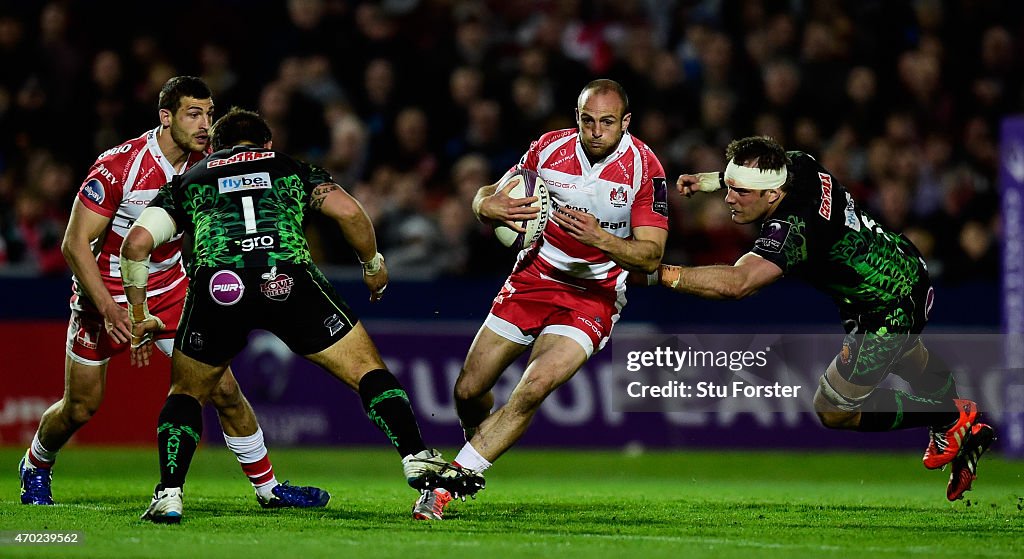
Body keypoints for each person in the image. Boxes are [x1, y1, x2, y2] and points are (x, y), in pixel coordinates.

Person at [120, 107, 483, 524]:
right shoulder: (288, 167)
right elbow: (348, 212)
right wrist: (372, 265)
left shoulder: (189, 180)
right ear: (267, 143)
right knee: (367, 371)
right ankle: (415, 456)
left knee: (186, 394)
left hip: (219, 286)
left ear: (215, 149)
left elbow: (137, 244)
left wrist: (139, 310)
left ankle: (169, 494)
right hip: (288, 280)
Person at [18, 76, 328, 510]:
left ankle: (269, 488)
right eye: (193, 114)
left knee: (223, 389)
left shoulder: (211, 162)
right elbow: (74, 243)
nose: (205, 124)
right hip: (102, 294)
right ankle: (36, 463)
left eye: (210, 113)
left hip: (169, 287)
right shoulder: (120, 167)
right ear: (166, 117)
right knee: (81, 407)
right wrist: (111, 309)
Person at [654, 135, 994, 501]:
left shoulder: (795, 229)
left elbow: (738, 284)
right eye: (730, 187)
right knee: (912, 360)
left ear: (772, 195)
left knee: (832, 409)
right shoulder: (797, 163)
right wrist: (710, 180)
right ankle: (964, 433)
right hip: (901, 267)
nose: (728, 198)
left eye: (740, 191)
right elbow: (755, 174)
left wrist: (658, 273)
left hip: (886, 310)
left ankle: (948, 418)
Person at [443, 79, 669, 515]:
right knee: (469, 389)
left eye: (607, 122)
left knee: (535, 385)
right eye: (587, 120)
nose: (596, 130)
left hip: (595, 293)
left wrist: (601, 238)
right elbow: (488, 195)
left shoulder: (645, 168)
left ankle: (453, 480)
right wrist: (483, 207)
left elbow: (651, 255)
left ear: (625, 122)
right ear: (577, 118)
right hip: (534, 277)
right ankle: (477, 440)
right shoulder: (549, 149)